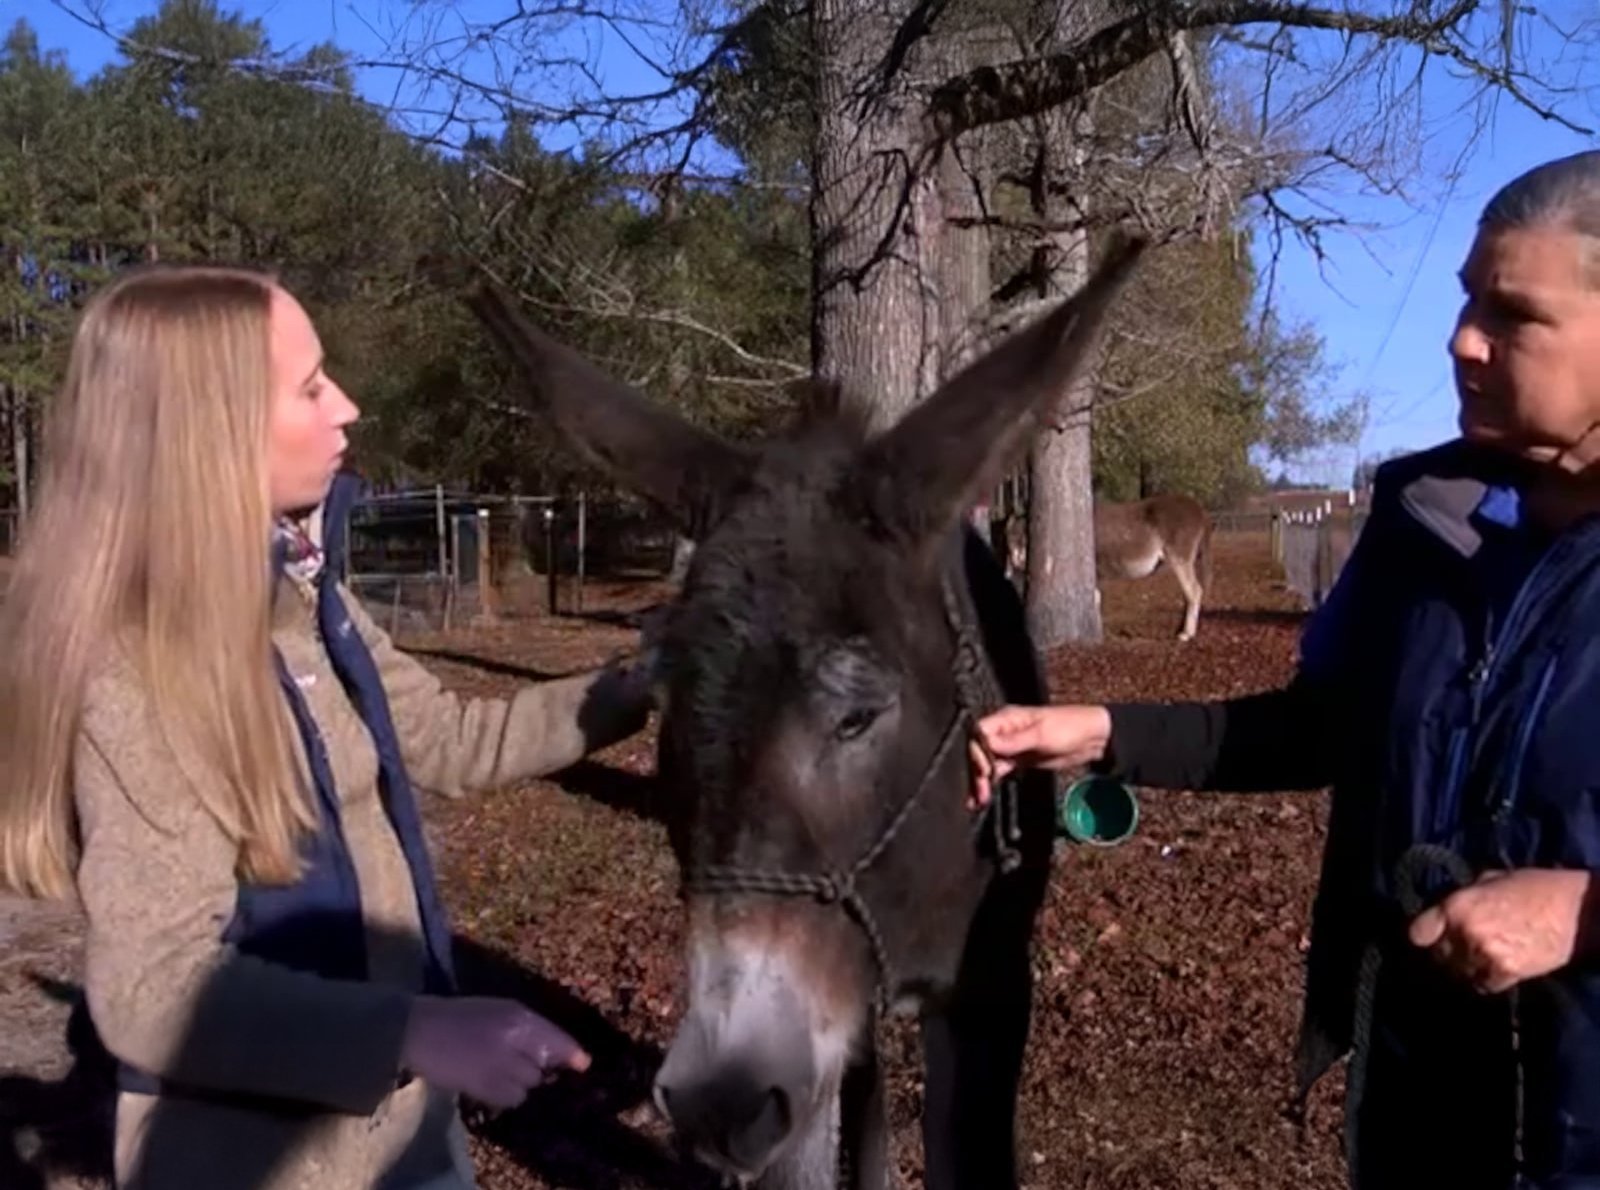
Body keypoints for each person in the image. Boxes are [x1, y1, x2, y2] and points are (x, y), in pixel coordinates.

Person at [969, 149, 1600, 1190]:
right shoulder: (1424, 520)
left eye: (1513, 314)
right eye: (1463, 301)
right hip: (1417, 1112)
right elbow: (1320, 728)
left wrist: (1582, 911)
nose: (1461, 341)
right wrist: (1099, 730)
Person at [0, 264, 658, 1189]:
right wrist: (418, 1030)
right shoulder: (135, 672)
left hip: (402, 1132)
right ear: (211, 433)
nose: (348, 407)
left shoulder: (311, 600)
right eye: (311, 387)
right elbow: (153, 991)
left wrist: (652, 674)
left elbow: (452, 739)